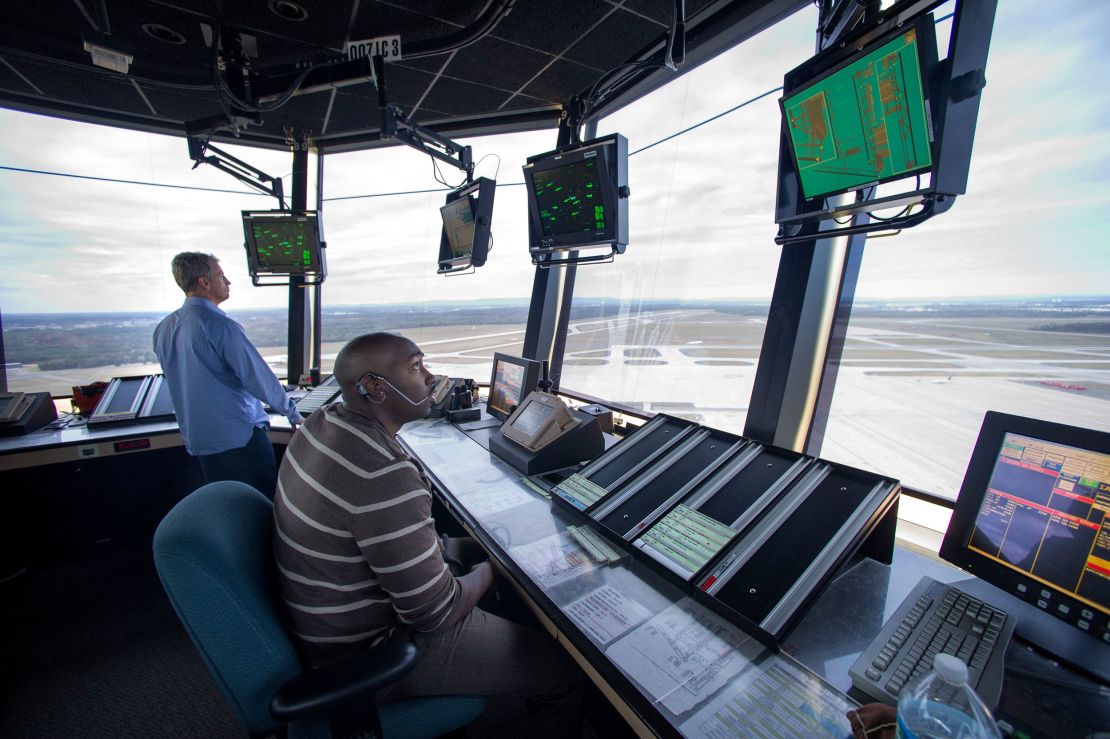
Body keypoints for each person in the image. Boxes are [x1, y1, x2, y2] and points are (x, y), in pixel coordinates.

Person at [272, 332, 584, 738]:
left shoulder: (323, 422)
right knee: (563, 671)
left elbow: (394, 540)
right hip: (370, 652)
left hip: (336, 611)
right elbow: (435, 613)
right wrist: (496, 569)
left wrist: (489, 551)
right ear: (374, 388)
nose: (430, 376)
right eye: (416, 367)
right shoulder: (382, 474)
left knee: (500, 543)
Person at [153, 252, 302, 496]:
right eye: (221, 276)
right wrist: (294, 414)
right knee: (259, 507)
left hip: (201, 441)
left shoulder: (165, 328)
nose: (228, 282)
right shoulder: (219, 325)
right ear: (204, 282)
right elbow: (257, 378)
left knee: (228, 506)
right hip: (239, 439)